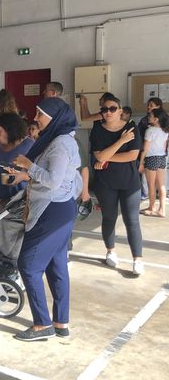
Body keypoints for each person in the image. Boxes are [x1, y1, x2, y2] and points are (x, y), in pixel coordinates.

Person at [7, 97, 82, 341]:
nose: (36, 118)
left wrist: (29, 165)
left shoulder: (59, 144)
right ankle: (61, 322)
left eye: (40, 114)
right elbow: (50, 178)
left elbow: (52, 181)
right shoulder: (59, 140)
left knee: (28, 265)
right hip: (60, 208)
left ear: (55, 117)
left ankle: (42, 324)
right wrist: (25, 174)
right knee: (56, 266)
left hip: (51, 211)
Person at [90, 96, 144, 275]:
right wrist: (121, 141)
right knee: (109, 217)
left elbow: (132, 156)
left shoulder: (131, 128)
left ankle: (137, 259)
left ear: (120, 111)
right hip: (106, 183)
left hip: (130, 182)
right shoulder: (97, 130)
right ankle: (110, 251)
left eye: (112, 108)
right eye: (104, 109)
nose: (108, 112)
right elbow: (98, 156)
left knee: (132, 220)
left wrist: (106, 156)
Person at [0, 113, 34, 210]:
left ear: (9, 130)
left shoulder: (28, 146)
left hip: (17, 207)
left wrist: (22, 175)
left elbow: (38, 177)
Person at [139, 108, 169, 217]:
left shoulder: (150, 130)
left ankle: (152, 207)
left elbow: (145, 149)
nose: (148, 117)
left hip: (151, 159)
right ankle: (162, 210)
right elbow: (164, 147)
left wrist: (141, 163)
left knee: (151, 185)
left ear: (156, 119)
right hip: (162, 158)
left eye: (150, 116)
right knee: (161, 185)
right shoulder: (165, 130)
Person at [137, 98, 163, 200]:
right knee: (146, 177)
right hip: (148, 151)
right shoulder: (144, 120)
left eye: (151, 105)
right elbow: (139, 136)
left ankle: (156, 196)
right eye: (148, 105)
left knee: (159, 178)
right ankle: (146, 194)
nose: (148, 107)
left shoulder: (165, 119)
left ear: (158, 106)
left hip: (160, 152)